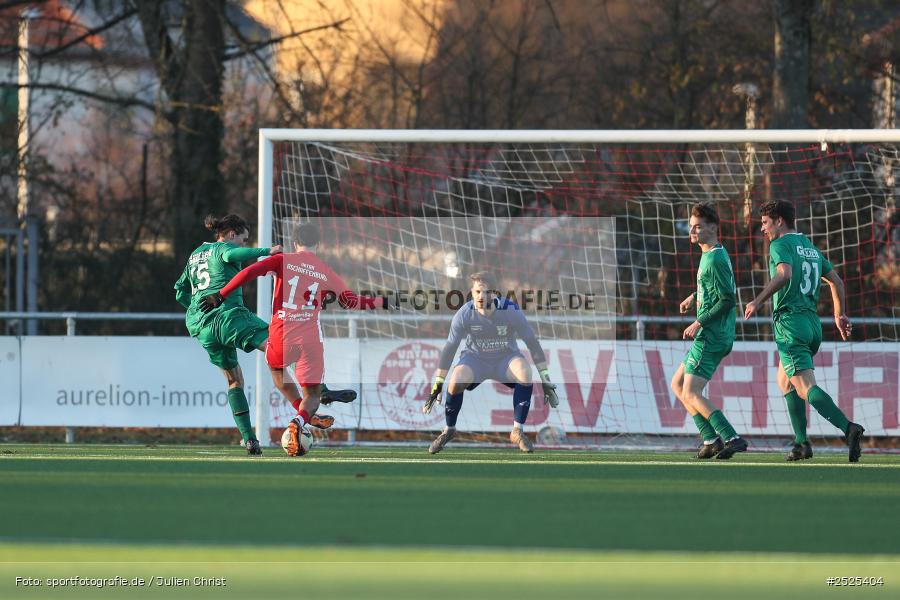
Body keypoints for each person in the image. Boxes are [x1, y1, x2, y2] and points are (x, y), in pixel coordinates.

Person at [201, 221, 370, 456]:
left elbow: (248, 270)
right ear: (318, 244)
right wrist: (382, 302)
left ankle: (293, 414)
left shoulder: (282, 260)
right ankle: (306, 411)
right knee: (303, 386)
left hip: (220, 324)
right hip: (306, 335)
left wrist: (220, 294)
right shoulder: (323, 269)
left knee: (270, 368)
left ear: (294, 242)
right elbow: (350, 301)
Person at [745, 201, 863, 462]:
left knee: (804, 386)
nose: (762, 229)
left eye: (765, 223)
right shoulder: (809, 247)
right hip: (812, 325)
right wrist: (838, 314)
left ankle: (848, 429)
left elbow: (784, 274)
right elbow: (837, 282)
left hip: (790, 324)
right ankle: (801, 443)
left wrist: (758, 300)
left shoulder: (779, 245)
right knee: (784, 381)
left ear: (779, 221)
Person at [174, 214, 282, 455]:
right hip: (229, 316)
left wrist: (197, 308)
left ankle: (249, 439)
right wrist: (268, 250)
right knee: (280, 344)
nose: (243, 245)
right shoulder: (224, 248)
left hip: (202, 326)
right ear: (232, 234)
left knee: (234, 381)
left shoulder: (195, 255)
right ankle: (320, 392)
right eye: (243, 240)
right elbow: (233, 255)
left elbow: (180, 290)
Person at [424, 272, 559, 454]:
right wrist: (438, 382)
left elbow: (531, 342)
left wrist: (545, 377)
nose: (482, 297)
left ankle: (517, 431)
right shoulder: (464, 314)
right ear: (472, 292)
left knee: (525, 372)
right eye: (478, 292)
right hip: (476, 360)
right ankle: (449, 430)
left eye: (487, 292)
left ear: (495, 293)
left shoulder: (510, 310)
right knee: (455, 380)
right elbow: (450, 348)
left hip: (505, 359)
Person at [670, 203, 748, 460]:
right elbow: (713, 288)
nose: (692, 231)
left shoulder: (714, 258)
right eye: (691, 226)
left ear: (713, 227)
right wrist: (694, 297)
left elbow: (727, 299)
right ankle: (710, 439)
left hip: (712, 334)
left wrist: (698, 322)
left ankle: (731, 437)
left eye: (698, 226)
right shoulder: (711, 253)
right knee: (678, 384)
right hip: (714, 333)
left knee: (691, 392)